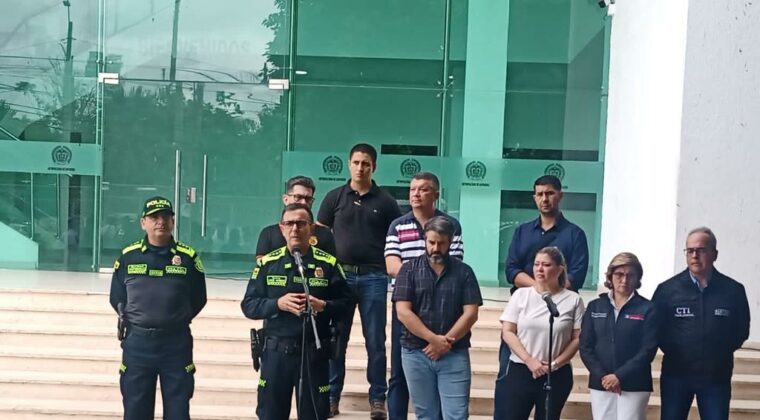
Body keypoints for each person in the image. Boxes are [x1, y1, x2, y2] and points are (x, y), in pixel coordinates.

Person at [241, 203, 353, 420]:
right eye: (289, 223)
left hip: (313, 354)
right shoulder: (267, 263)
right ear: (281, 228)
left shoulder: (327, 263)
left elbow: (348, 302)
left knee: (315, 414)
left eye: (301, 223)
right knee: (270, 414)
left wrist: (324, 306)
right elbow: (249, 305)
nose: (295, 229)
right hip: (275, 354)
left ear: (311, 228)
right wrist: (277, 304)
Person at [318, 143, 402, 419]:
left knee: (375, 341)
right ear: (349, 164)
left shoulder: (386, 202)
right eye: (356, 162)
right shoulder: (334, 198)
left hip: (374, 278)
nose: (360, 167)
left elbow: (396, 240)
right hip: (340, 278)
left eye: (366, 163)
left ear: (374, 167)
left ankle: (378, 399)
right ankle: (331, 397)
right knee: (336, 339)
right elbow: (320, 238)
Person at [494, 175, 589, 419]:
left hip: (557, 331)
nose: (544, 199)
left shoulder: (575, 235)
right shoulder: (523, 231)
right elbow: (512, 271)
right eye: (539, 194)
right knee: (507, 395)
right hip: (523, 320)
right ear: (534, 197)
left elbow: (575, 277)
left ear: (560, 195)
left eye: (549, 193)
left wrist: (549, 288)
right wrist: (537, 286)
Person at [109, 196, 207, 420]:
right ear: (143, 222)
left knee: (178, 410)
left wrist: (172, 319)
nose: (160, 222)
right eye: (154, 217)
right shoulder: (128, 256)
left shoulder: (188, 257)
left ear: (173, 221)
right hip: (138, 343)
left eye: (165, 216)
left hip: (175, 344)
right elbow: (117, 297)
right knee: (135, 409)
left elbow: (198, 298)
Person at [384, 172, 463, 419]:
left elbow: (454, 263)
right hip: (407, 306)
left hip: (443, 306)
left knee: (440, 372)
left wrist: (415, 275)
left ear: (436, 194)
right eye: (413, 189)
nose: (416, 194)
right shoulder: (398, 225)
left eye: (423, 189)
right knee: (398, 372)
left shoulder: (451, 224)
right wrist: (421, 279)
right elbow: (390, 264)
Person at [652, 227, 750, 420]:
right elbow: (656, 329)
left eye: (701, 250)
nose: (694, 255)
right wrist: (678, 352)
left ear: (714, 254)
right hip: (676, 375)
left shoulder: (733, 290)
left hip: (716, 377)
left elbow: (741, 330)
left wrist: (717, 352)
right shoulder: (667, 290)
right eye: (690, 251)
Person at [392, 216, 481, 420]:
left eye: (441, 243)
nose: (435, 248)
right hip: (416, 352)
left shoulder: (464, 272)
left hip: (454, 352)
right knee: (426, 415)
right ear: (425, 240)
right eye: (431, 242)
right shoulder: (409, 270)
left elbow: (471, 313)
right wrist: (434, 340)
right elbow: (403, 312)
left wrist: (445, 342)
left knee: (456, 415)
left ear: (450, 242)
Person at [498, 246, 584, 420]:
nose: (539, 269)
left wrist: (555, 364)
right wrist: (529, 360)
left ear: (559, 270)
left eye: (546, 265)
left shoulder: (573, 299)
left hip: (556, 373)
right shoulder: (521, 295)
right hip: (521, 369)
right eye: (536, 264)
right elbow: (507, 331)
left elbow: (577, 338)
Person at [579, 252, 658, 420]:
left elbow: (648, 349)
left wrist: (619, 376)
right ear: (610, 276)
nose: (624, 280)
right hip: (601, 383)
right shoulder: (595, 307)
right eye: (619, 274)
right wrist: (603, 376)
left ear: (638, 278)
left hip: (634, 384)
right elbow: (585, 346)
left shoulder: (648, 308)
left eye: (631, 275)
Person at [256, 175, 336, 258]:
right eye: (298, 197)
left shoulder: (324, 234)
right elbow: (262, 266)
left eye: (308, 199)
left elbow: (331, 266)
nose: (303, 202)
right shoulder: (269, 234)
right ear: (285, 199)